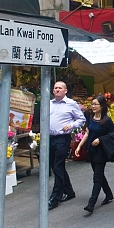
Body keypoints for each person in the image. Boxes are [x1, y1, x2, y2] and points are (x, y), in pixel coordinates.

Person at [75, 95, 114, 216]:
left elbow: (113, 136)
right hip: (91, 150)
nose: (93, 106)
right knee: (99, 175)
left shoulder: (107, 121)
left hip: (101, 152)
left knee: (97, 177)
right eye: (92, 104)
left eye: (95, 104)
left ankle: (91, 204)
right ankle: (108, 194)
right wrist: (79, 146)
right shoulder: (91, 117)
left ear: (102, 106)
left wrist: (100, 139)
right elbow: (87, 133)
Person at [48, 81, 86, 209]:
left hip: (62, 138)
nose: (57, 90)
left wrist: (71, 125)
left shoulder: (71, 104)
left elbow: (81, 119)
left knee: (58, 165)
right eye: (55, 88)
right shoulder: (49, 104)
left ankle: (55, 196)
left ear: (65, 91)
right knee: (55, 166)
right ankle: (69, 191)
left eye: (60, 88)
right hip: (50, 138)